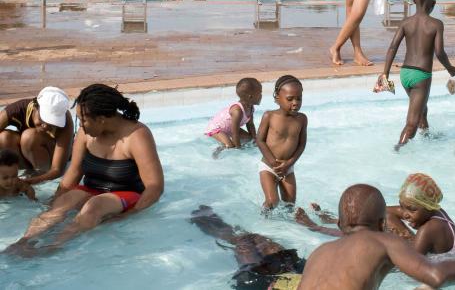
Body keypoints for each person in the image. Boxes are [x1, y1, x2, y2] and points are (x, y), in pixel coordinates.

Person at [11, 84, 164, 253]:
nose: (80, 126)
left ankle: (52, 248)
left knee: (94, 206)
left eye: (83, 120)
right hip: (91, 189)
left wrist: (131, 214)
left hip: (126, 194)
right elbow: (74, 171)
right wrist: (54, 202)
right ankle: (22, 243)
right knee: (64, 202)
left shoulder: (137, 136)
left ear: (101, 120)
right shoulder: (86, 134)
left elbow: (154, 186)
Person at [298, 183, 455, 289]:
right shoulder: (384, 240)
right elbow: (436, 276)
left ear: (341, 225)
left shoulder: (319, 253)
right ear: (382, 224)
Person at [378, 0, 455, 149]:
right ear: (433, 4)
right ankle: (398, 149)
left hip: (405, 74)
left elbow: (392, 47)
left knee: (422, 107)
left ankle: (426, 134)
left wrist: (385, 74)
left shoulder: (406, 22)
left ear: (413, 1)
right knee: (411, 124)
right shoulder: (436, 24)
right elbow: (439, 52)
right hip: (421, 76)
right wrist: (451, 69)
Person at [191, 205, 307, 289]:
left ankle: (206, 222)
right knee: (263, 242)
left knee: (244, 246)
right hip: (297, 274)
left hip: (262, 283)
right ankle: (220, 224)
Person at [0, 87, 73, 184]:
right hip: (27, 156)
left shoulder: (66, 120)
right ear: (35, 107)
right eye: (43, 119)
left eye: (52, 123)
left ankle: (41, 173)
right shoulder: (16, 110)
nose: (46, 126)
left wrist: (30, 182)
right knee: (4, 138)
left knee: (29, 137)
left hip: (52, 157)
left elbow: (57, 169)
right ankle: (21, 173)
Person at [256, 75, 307, 209]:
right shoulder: (270, 116)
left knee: (290, 204)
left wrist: (289, 164)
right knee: (272, 202)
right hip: (269, 166)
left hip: (287, 168)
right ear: (277, 97)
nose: (295, 102)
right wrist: (273, 162)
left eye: (299, 98)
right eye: (290, 99)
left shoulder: (302, 119)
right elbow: (260, 140)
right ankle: (264, 221)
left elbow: (302, 144)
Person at [205, 77, 262, 151]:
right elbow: (235, 133)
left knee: (249, 140)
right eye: (260, 93)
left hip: (230, 128)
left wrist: (255, 140)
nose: (261, 96)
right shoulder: (237, 111)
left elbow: (250, 125)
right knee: (230, 146)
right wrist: (239, 149)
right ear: (250, 97)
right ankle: (218, 149)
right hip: (216, 129)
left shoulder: (251, 107)